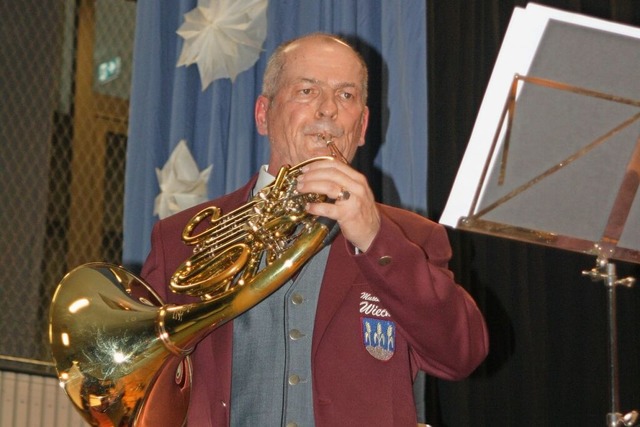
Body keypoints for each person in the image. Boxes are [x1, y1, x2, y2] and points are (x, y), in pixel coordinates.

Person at [140, 32, 488, 426]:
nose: (327, 110)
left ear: (362, 125)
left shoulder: (411, 237)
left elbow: (461, 354)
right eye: (307, 91)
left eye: (346, 96)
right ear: (262, 115)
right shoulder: (178, 239)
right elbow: (146, 389)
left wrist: (376, 240)